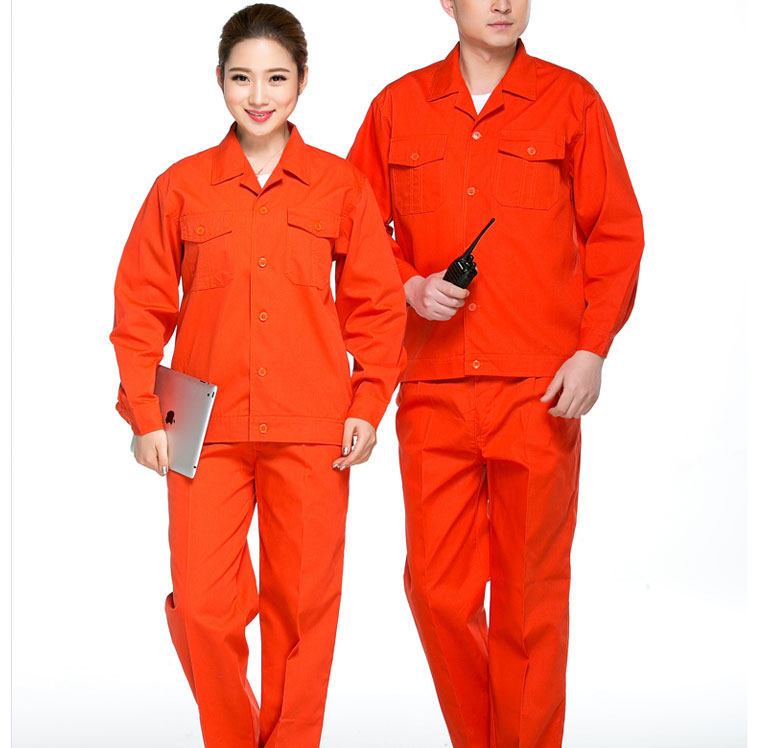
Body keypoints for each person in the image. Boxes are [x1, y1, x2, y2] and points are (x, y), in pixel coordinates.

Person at [347, 1, 644, 746]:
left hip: (539, 389)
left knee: (529, 599)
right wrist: (409, 285)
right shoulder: (396, 107)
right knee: (437, 592)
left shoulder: (572, 101)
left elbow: (614, 232)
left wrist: (593, 348)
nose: (502, 3)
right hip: (432, 386)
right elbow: (354, 232)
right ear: (447, 2)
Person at [109, 5, 406, 747]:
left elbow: (376, 306)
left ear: (302, 82)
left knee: (302, 611)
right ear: (219, 81)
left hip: (312, 425)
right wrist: (144, 413)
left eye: (276, 77)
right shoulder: (181, 186)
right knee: (204, 609)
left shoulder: (340, 186)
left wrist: (369, 402)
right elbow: (141, 305)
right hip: (201, 428)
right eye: (242, 77)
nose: (259, 94)